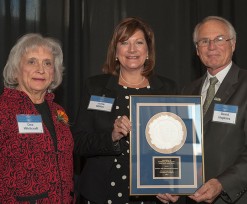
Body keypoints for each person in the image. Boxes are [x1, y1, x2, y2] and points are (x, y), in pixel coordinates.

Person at [73, 17, 178, 204]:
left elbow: (177, 146)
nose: (132, 50)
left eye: (139, 42)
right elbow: (79, 143)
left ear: (148, 51)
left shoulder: (167, 89)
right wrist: (111, 136)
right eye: (124, 43)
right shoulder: (95, 87)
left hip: (151, 195)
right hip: (101, 195)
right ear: (115, 51)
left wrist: (172, 184)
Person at [157, 16, 247, 204]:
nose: (212, 46)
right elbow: (179, 146)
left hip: (236, 198)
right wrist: (171, 184)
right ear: (197, 50)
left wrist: (222, 183)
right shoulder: (187, 91)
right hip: (192, 198)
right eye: (204, 41)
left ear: (233, 44)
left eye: (220, 39)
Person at [0, 33, 74, 203]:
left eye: (47, 63)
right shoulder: (3, 110)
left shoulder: (58, 111)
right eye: (32, 61)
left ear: (53, 73)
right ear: (16, 69)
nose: (41, 69)